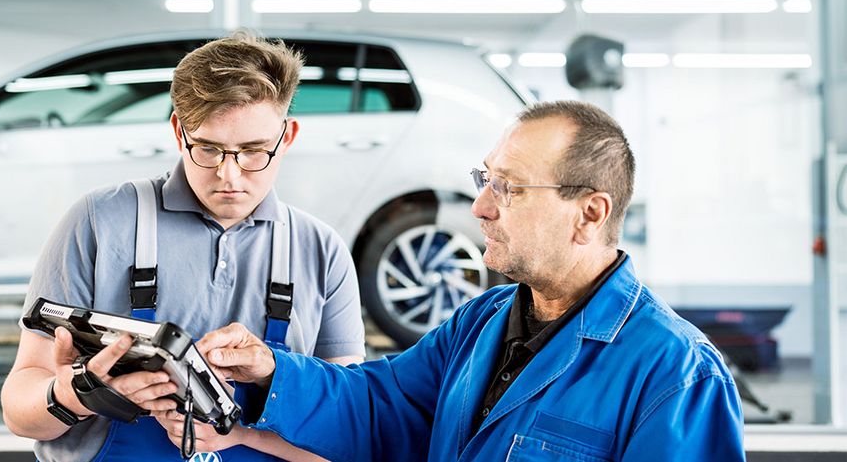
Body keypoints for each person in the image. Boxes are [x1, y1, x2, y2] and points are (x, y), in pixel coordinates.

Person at [196, 100, 746, 462]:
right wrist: (271, 370)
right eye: (486, 179)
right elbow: (379, 407)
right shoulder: (480, 322)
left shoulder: (675, 374)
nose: (481, 206)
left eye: (509, 188)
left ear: (590, 213)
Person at [1, 31, 366, 462]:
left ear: (286, 137)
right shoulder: (99, 221)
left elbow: (348, 434)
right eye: (208, 149)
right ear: (179, 130)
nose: (229, 175)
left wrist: (241, 437)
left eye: (253, 151)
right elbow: (19, 412)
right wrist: (79, 393)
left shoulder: (321, 250)